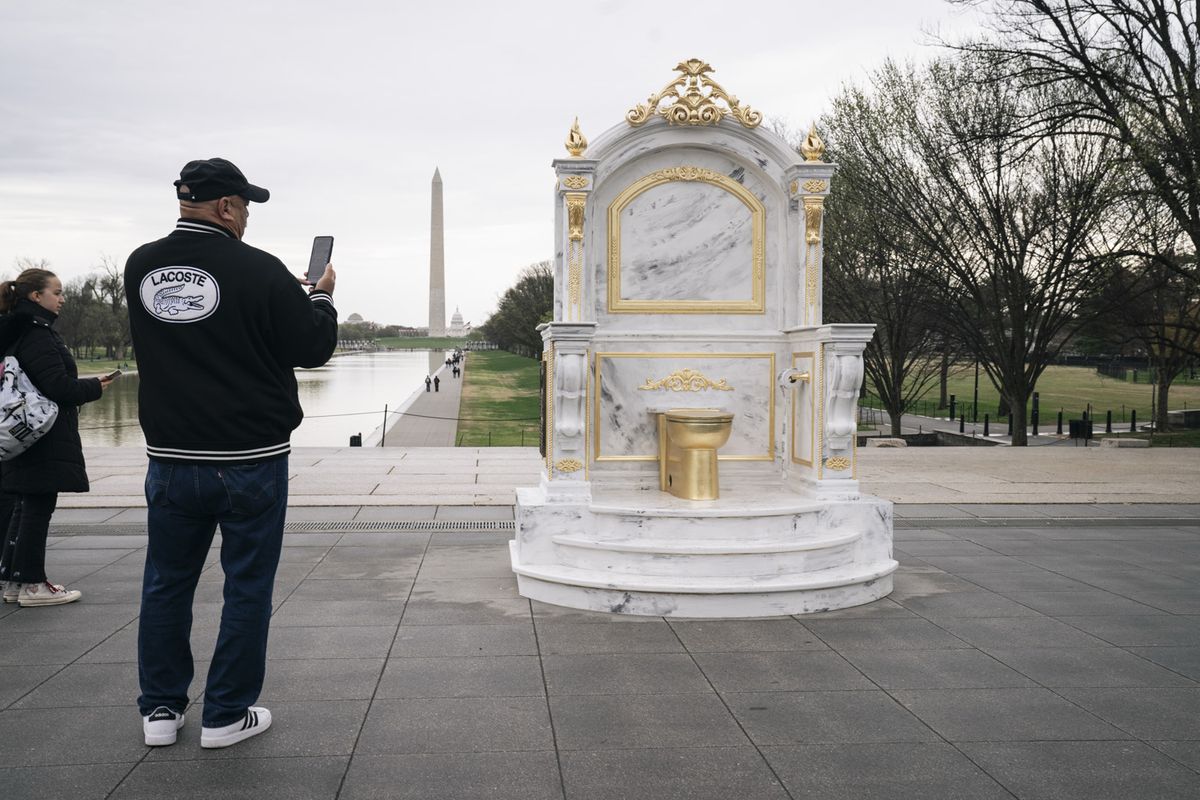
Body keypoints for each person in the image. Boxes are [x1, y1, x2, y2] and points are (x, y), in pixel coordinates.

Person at [124, 158, 337, 750]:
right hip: (249, 456)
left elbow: (193, 329)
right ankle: (225, 713)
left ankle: (161, 711)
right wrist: (318, 299)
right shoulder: (260, 269)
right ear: (225, 207)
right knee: (246, 586)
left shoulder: (141, 265)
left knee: (166, 582)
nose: (245, 218)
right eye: (244, 207)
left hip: (170, 456)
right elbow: (313, 348)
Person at [0, 268, 112, 606]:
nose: (62, 298)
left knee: (25, 503)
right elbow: (58, 388)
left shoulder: (16, 331)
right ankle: (33, 585)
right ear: (36, 296)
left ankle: (14, 581)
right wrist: (96, 386)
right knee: (37, 506)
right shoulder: (37, 334)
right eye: (57, 292)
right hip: (43, 434)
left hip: (23, 433)